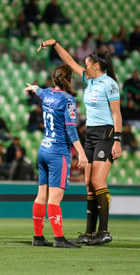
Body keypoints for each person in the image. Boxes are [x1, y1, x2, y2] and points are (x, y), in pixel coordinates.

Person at [38, 39, 122, 245]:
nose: (83, 66)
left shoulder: (110, 84)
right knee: (88, 184)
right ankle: (89, 232)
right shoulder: (90, 79)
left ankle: (104, 231)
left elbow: (116, 113)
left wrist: (117, 140)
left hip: (106, 134)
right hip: (91, 134)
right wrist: (55, 44)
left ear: (96, 66)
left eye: (86, 63)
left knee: (97, 181)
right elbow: (68, 60)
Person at [25, 64, 88, 248]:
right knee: (55, 198)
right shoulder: (68, 101)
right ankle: (59, 239)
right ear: (70, 80)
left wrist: (33, 87)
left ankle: (38, 237)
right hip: (58, 152)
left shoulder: (47, 94)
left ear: (54, 80)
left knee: (41, 196)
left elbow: (39, 90)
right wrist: (81, 152)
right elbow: (70, 129)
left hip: (44, 149)